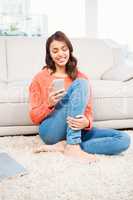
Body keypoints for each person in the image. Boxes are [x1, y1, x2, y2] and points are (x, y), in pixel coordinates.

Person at [29, 31, 130, 163]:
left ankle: (68, 145)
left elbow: (87, 111)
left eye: (64, 49)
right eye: (55, 51)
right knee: (81, 83)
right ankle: (72, 146)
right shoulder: (40, 78)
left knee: (123, 139)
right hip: (51, 131)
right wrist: (48, 104)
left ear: (69, 51)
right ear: (50, 55)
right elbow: (34, 117)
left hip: (76, 129)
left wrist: (86, 122)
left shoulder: (80, 77)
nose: (60, 53)